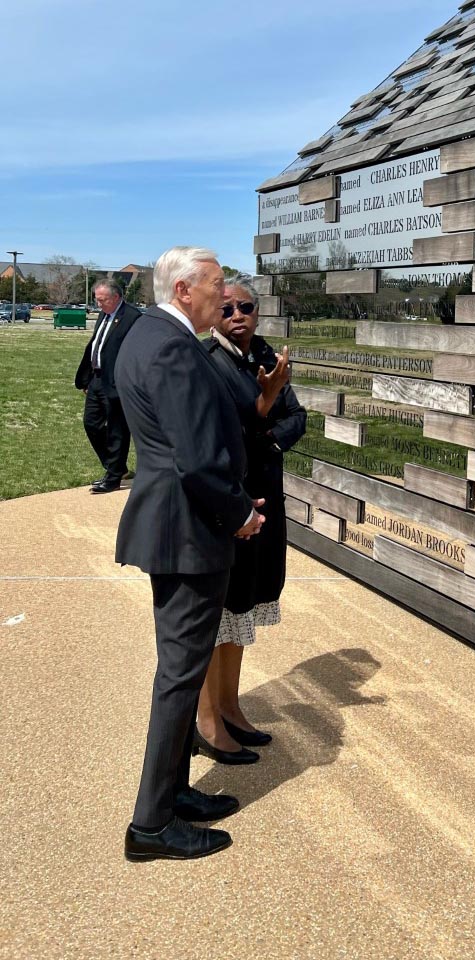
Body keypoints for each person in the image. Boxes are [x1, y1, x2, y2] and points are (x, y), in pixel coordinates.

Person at [115, 246, 265, 862]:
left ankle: (175, 792)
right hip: (188, 533)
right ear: (184, 291)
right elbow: (195, 457)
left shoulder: (146, 333)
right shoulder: (174, 347)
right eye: (215, 286)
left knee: (178, 670)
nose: (222, 296)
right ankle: (151, 824)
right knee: (179, 677)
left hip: (177, 527)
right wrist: (241, 515)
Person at [194, 276, 305, 763]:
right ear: (213, 314)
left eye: (246, 306)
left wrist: (272, 436)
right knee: (215, 615)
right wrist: (264, 423)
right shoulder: (206, 361)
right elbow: (226, 430)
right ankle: (205, 719)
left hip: (266, 495)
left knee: (241, 609)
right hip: (231, 504)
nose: (237, 315)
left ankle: (231, 706)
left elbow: (295, 415)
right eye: (227, 308)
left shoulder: (265, 355)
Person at [74, 280, 141, 492]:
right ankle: (117, 467)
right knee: (91, 424)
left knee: (117, 430)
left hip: (117, 382)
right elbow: (96, 344)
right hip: (96, 379)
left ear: (116, 297)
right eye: (97, 299)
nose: (98, 303)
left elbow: (136, 354)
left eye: (101, 300)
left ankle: (112, 479)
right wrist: (87, 378)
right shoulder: (104, 314)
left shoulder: (133, 318)